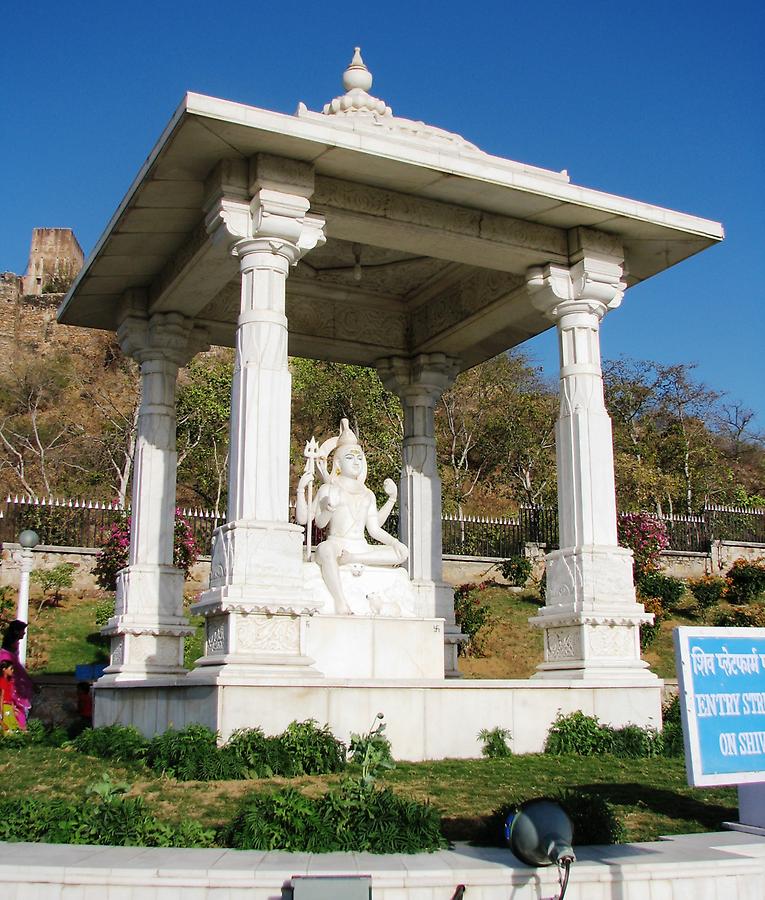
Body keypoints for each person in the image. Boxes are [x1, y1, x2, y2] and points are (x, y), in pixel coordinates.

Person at [296, 419, 408, 614]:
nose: (356, 462)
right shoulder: (328, 489)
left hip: (360, 547)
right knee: (325, 550)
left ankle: (353, 558)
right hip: (337, 543)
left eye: (359, 458)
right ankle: (340, 601)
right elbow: (315, 522)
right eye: (350, 457)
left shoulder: (368, 494)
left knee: (402, 552)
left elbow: (374, 529)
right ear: (338, 462)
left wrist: (392, 503)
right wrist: (302, 492)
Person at [0, 620, 33, 730]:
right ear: (16, 631)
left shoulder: (14, 647)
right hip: (10, 687)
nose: (24, 633)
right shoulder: (6, 654)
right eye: (22, 631)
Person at [0, 660, 21, 733]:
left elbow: (10, 697)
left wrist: (13, 708)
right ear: (4, 669)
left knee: (14, 727)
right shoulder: (2, 681)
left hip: (9, 707)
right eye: (11, 668)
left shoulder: (9, 681)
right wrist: (1, 711)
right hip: (4, 707)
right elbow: (1, 697)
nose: (13, 670)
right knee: (7, 728)